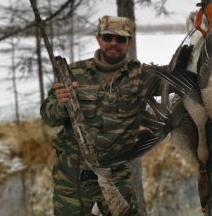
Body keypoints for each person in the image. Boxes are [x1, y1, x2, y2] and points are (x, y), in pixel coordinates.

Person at [40, 15, 162, 216]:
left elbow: (176, 79)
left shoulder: (140, 76)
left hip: (117, 176)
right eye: (108, 37)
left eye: (120, 39)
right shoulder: (73, 73)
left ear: (129, 42)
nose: (113, 43)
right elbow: (48, 116)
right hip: (72, 180)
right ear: (98, 39)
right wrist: (62, 105)